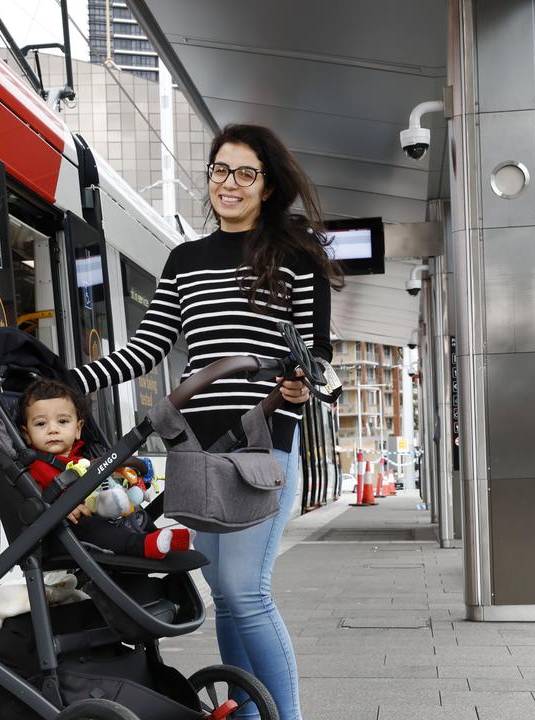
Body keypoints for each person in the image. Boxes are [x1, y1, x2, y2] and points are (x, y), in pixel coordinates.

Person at [70, 124, 342, 720]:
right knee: (226, 597)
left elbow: (317, 356)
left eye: (246, 174)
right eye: (221, 171)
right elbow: (148, 346)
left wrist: (298, 382)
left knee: (247, 592)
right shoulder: (185, 260)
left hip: (262, 446)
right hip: (196, 451)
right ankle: (249, 713)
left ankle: (284, 715)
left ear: (267, 187)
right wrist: (73, 382)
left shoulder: (298, 259)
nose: (230, 184)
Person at [19, 378, 192, 559]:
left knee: (135, 512)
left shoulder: (85, 459)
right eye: (41, 424)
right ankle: (143, 545)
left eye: (62, 421)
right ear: (27, 434)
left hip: (104, 512)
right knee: (96, 527)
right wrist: (58, 509)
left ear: (78, 429)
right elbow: (33, 502)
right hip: (70, 527)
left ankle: (166, 540)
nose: (52, 430)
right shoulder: (36, 467)